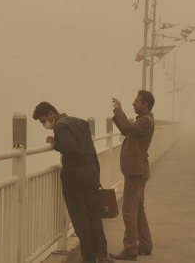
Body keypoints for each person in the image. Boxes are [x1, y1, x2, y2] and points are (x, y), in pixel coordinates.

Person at [32, 102, 112, 263]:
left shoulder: (60, 126)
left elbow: (69, 147)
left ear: (51, 114)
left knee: (80, 219)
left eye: (43, 120)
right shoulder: (81, 122)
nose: (44, 124)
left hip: (74, 177)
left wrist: (55, 144)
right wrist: (96, 172)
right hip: (91, 172)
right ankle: (102, 255)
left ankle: (88, 257)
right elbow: (91, 148)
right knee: (94, 216)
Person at [109, 90, 155, 261]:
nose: (134, 103)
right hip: (137, 171)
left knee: (129, 211)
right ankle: (145, 244)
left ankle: (130, 249)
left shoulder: (146, 121)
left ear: (146, 105)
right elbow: (126, 130)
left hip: (136, 172)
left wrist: (118, 110)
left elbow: (128, 128)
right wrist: (118, 114)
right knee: (138, 211)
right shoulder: (143, 121)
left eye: (137, 101)